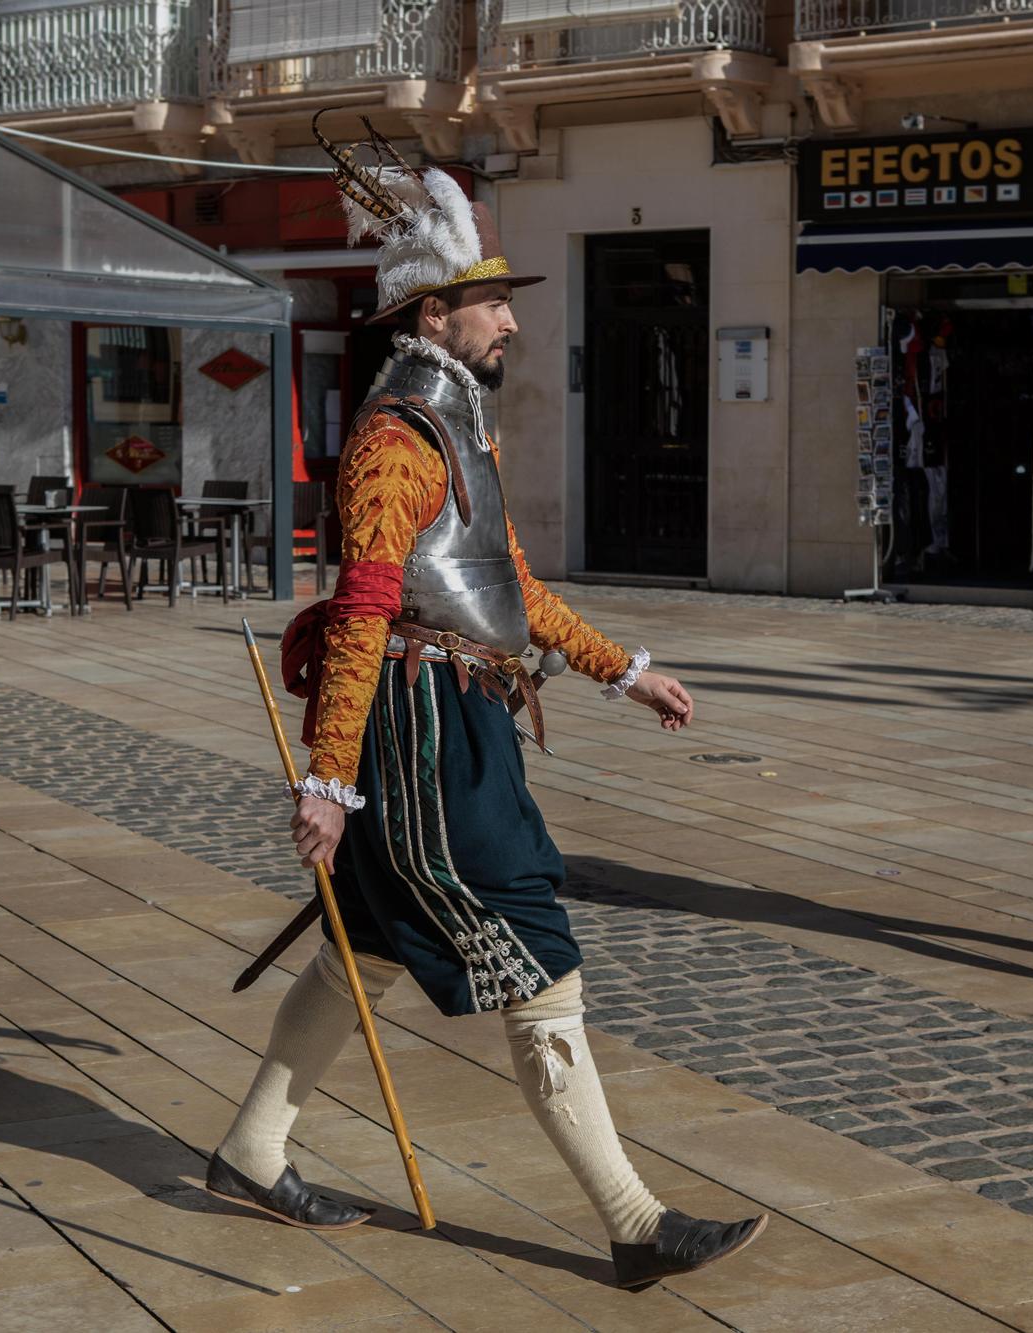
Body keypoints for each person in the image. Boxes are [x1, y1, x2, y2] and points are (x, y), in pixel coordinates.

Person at [204, 128, 764, 1291]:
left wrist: (622, 667)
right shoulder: (393, 442)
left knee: (368, 944)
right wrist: (325, 777)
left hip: (454, 711)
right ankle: (631, 1221)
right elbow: (363, 609)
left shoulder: (453, 421)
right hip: (420, 731)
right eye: (489, 301)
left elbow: (507, 586)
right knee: (531, 943)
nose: (508, 321)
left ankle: (252, 1150)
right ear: (429, 314)